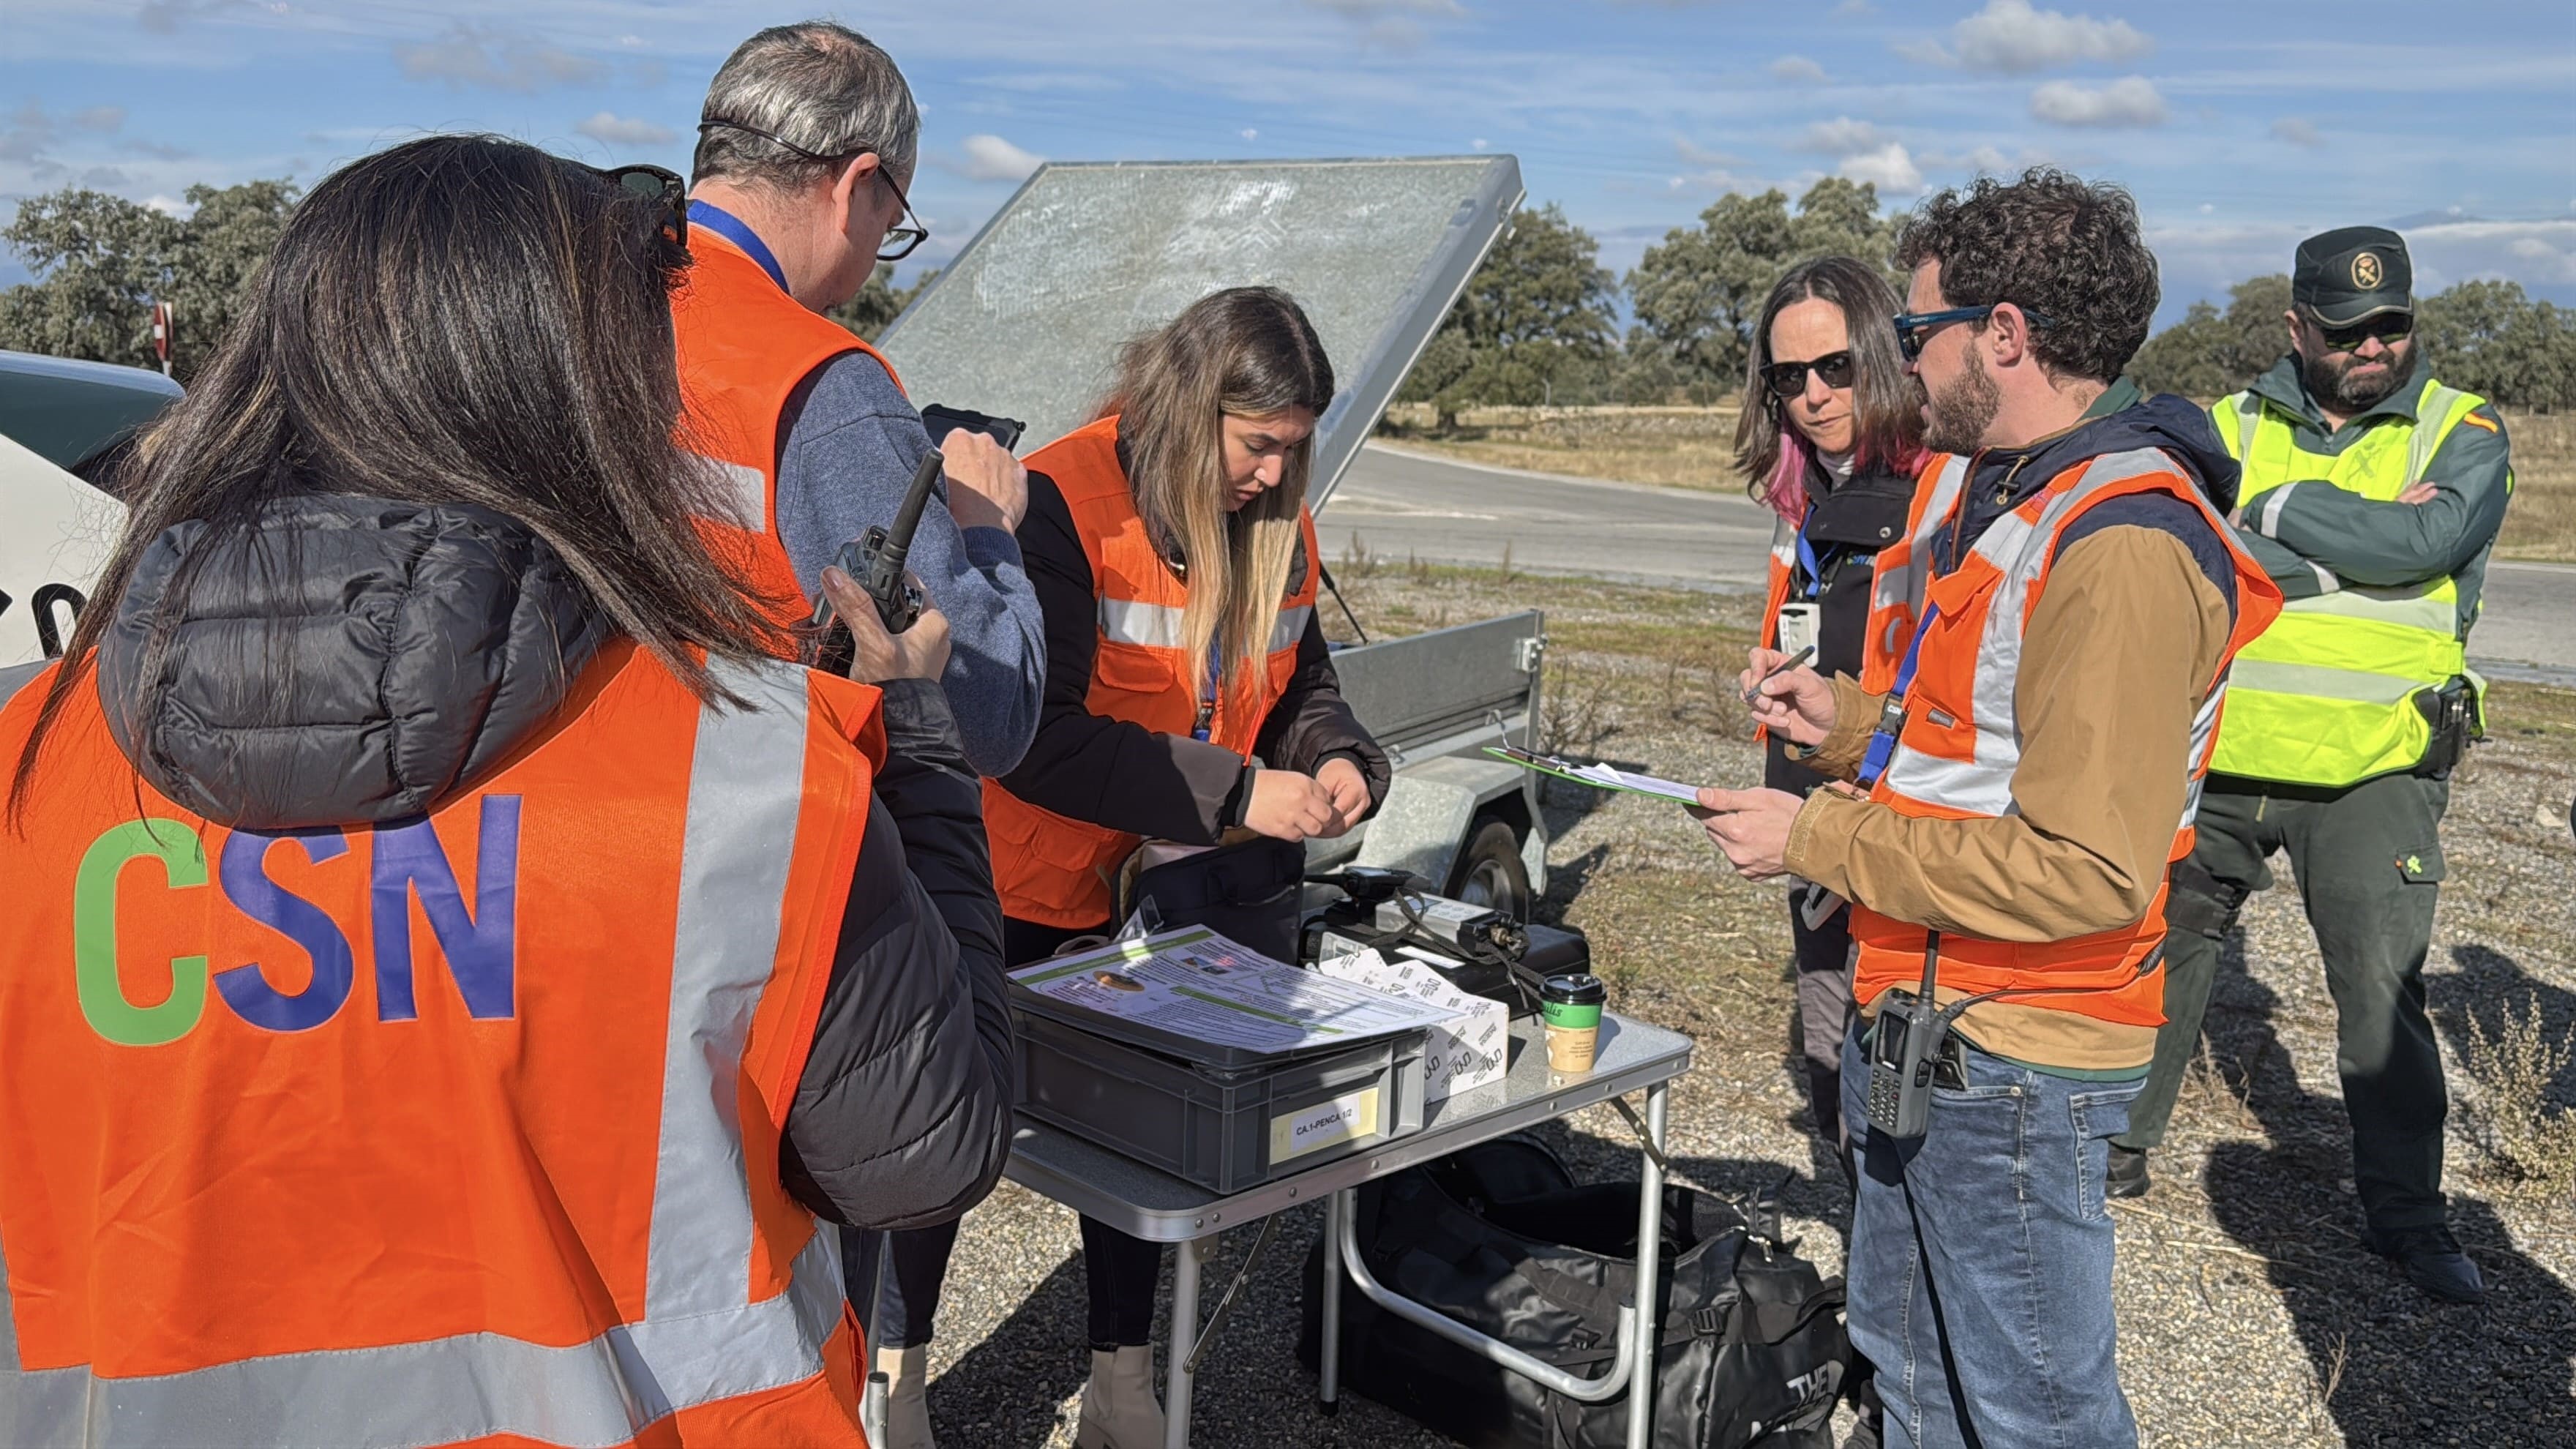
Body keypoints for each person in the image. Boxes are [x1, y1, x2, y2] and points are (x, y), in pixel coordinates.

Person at [0, 135, 1016, 1447]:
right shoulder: (755, 770)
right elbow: (926, 1157)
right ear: (590, 391)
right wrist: (914, 745)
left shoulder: (25, 759)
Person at [1695, 169, 2283, 1448]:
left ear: (2002, 334)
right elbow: (1982, 754)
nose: (1903, 362)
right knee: (1914, 1379)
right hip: (1932, 1017)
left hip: (2012, 1052)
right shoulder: (2025, 496)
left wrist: (1814, 834)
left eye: (1917, 332)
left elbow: (2086, 865)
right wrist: (1845, 724)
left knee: (2032, 1415)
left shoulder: (2120, 543)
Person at [870, 285, 1391, 1449]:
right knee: (948, 1138)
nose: (1274, 475)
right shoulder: (1060, 502)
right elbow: (1034, 736)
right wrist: (1239, 795)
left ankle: (1120, 1382)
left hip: (1162, 907)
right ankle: (896, 1380)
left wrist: (1338, 755)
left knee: (1144, 1143)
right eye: (1257, 446)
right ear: (1192, 408)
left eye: (1293, 449)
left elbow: (1300, 683)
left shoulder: (1279, 521)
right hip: (1014, 890)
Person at [2109, 227, 2512, 1305]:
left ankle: (2409, 1218)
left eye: (2391, 325)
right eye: (2346, 330)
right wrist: (2358, 549)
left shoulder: (2462, 428)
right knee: (2162, 949)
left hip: (2377, 769)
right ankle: (2116, 1150)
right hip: (2220, 755)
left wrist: (2270, 510)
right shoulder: (2225, 425)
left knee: (2381, 990)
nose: (2372, 346)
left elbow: (2424, 548)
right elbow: (2181, 551)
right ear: (2296, 328)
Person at [679, 19, 1044, 777]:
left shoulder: (563, 294)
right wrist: (986, 529)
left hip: (503, 819)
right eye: (891, 222)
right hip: (721, 817)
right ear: (856, 184)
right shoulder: (823, 386)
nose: (878, 251)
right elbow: (986, 718)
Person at [1735, 255, 1958, 1177]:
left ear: (1883, 354)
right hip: (1808, 799)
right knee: (1829, 1042)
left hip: (1901, 811)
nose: (1814, 396)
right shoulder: (1796, 492)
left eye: (1836, 367)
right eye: (1789, 378)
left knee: (1903, 1070)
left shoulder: (1945, 486)